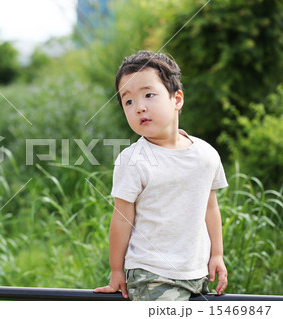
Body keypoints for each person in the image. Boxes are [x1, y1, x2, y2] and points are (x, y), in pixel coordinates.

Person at [94, 50, 228, 301]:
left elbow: (210, 207)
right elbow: (122, 218)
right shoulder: (133, 160)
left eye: (148, 95)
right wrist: (116, 271)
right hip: (151, 274)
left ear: (177, 99)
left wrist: (217, 255)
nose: (139, 107)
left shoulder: (206, 154)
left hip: (197, 272)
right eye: (128, 101)